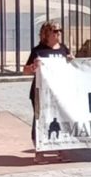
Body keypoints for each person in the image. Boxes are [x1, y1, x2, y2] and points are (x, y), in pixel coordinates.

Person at [24, 20, 73, 163]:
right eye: (55, 31)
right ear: (46, 33)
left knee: (61, 118)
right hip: (41, 91)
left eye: (60, 31)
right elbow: (25, 70)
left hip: (59, 91)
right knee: (40, 119)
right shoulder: (38, 50)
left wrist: (72, 60)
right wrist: (34, 66)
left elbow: (71, 67)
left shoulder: (63, 49)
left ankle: (61, 149)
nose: (58, 34)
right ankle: (39, 151)